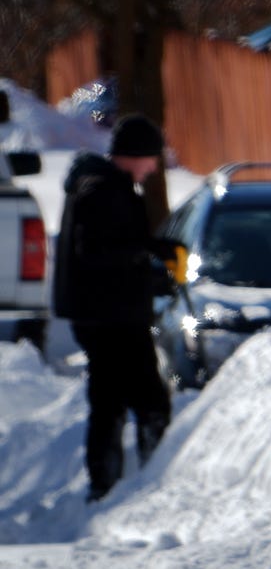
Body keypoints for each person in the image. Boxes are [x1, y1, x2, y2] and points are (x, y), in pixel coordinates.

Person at [54, 115, 173, 501]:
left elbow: (114, 250)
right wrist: (143, 254)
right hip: (111, 320)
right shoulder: (102, 190)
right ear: (135, 154)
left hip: (109, 314)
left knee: (114, 403)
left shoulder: (106, 186)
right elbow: (95, 253)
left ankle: (109, 488)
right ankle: (142, 487)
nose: (153, 168)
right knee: (145, 403)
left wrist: (151, 260)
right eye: (151, 159)